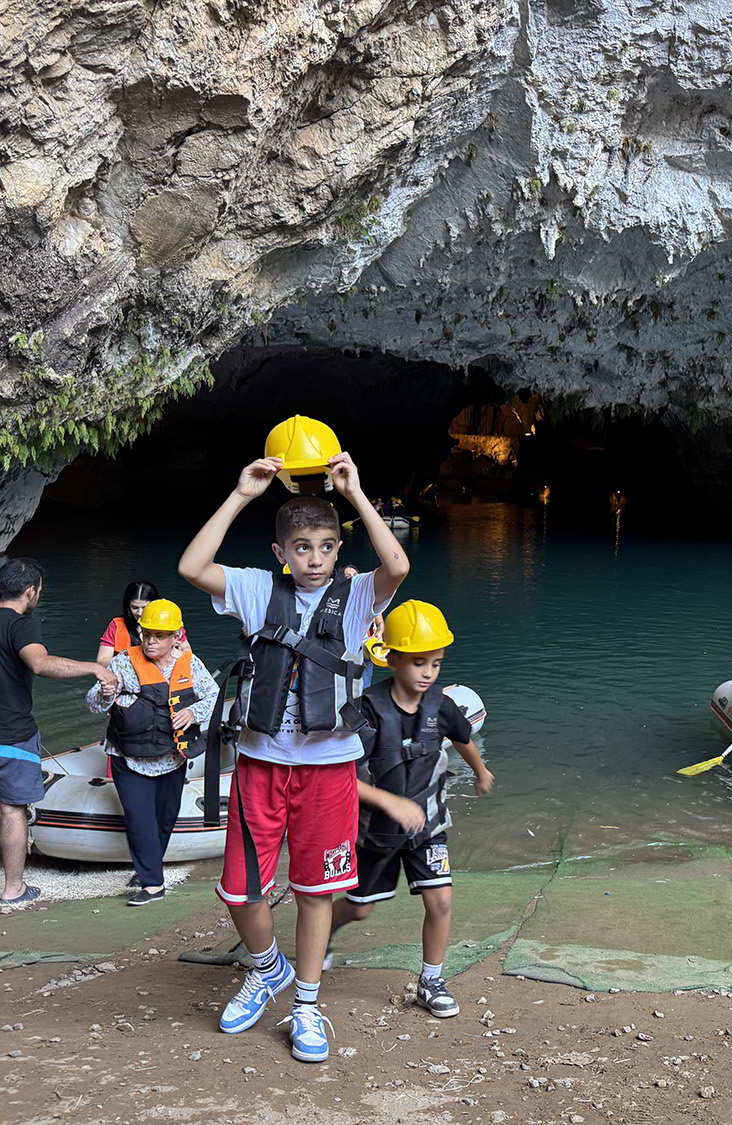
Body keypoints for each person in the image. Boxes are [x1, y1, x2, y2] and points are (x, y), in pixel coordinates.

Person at [177, 435, 415, 1064]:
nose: (314, 559)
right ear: (281, 553)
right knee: (240, 892)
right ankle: (267, 968)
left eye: (325, 548)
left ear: (339, 551)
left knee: (316, 892)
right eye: (302, 549)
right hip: (260, 766)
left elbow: (398, 567)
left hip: (329, 770)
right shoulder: (257, 590)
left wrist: (355, 493)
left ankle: (306, 1004)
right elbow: (191, 568)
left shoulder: (360, 594)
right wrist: (240, 493)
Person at [325, 600, 495, 1018]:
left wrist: (480, 770)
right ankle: (321, 932)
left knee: (440, 901)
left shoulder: (441, 705)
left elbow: (462, 737)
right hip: (376, 830)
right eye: (419, 662)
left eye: (435, 664)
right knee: (361, 908)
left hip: (428, 826)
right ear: (392, 657)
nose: (427, 673)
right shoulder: (366, 711)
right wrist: (389, 801)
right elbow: (336, 775)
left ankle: (431, 980)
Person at [0, 558, 118, 904]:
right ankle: (13, 889)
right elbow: (40, 663)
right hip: (9, 736)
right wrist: (94, 668)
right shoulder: (22, 626)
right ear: (31, 591)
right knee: (12, 809)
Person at [86, 599, 218, 906]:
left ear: (176, 636)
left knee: (165, 817)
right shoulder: (123, 662)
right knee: (139, 817)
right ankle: (153, 884)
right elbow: (92, 704)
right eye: (146, 634)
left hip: (171, 757)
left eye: (159, 636)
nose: (151, 641)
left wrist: (193, 713)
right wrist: (105, 694)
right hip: (128, 756)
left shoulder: (190, 663)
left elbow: (212, 695)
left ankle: (147, 867)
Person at [95, 582, 190, 668]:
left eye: (144, 607)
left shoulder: (169, 622)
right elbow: (102, 661)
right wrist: (132, 661)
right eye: (134, 607)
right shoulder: (116, 625)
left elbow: (187, 650)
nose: (139, 613)